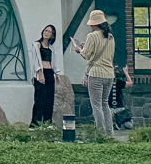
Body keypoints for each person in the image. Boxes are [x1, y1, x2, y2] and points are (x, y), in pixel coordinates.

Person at [72, 9, 117, 137]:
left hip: (96, 73)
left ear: (94, 24)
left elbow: (86, 55)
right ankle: (110, 133)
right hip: (109, 74)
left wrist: (79, 49)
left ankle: (100, 133)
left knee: (96, 105)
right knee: (105, 105)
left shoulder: (91, 36)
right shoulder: (110, 37)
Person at [31, 25, 62, 125]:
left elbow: (54, 61)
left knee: (49, 99)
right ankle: (36, 123)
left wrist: (56, 73)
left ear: (52, 35)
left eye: (49, 32)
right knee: (40, 98)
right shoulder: (37, 45)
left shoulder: (51, 48)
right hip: (41, 72)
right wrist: (40, 73)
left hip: (49, 73)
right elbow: (36, 60)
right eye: (46, 30)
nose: (47, 33)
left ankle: (47, 122)